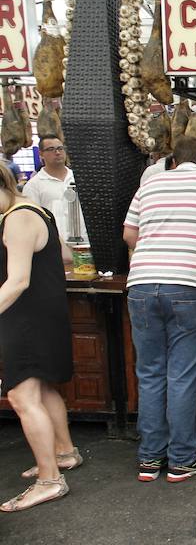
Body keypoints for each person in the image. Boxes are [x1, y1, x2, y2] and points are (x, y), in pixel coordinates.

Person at [123, 135, 196, 483]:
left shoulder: (151, 184)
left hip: (141, 283)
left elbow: (130, 235)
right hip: (191, 284)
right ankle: (182, 459)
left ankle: (149, 459)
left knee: (150, 373)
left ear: (172, 161)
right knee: (182, 374)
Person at [0, 163, 78, 512]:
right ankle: (64, 453)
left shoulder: (16, 220)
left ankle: (49, 480)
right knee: (43, 388)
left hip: (26, 318)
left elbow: (17, 281)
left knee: (21, 395)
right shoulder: (36, 209)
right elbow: (65, 255)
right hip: (45, 313)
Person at [22, 135, 88, 242]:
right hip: (54, 245)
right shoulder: (33, 185)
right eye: (51, 149)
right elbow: (32, 220)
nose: (57, 152)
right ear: (41, 154)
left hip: (83, 242)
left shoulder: (80, 178)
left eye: (60, 148)